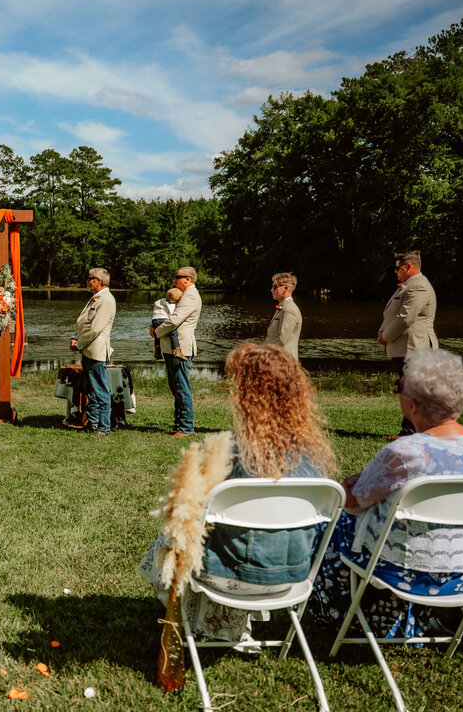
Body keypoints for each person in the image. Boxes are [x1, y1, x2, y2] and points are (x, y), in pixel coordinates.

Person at [138, 342, 338, 641]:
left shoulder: (231, 453)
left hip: (227, 578)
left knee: (172, 534)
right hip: (294, 577)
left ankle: (196, 619)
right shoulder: (315, 457)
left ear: (246, 396)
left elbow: (189, 516)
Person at [309, 348, 463, 639]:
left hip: (408, 573)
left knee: (330, 525)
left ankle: (336, 612)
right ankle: (408, 619)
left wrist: (348, 488)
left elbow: (354, 503)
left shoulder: (407, 451)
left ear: (413, 404)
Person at [378, 250, 437, 436]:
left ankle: (411, 431)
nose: (395, 272)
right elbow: (393, 313)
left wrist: (385, 336)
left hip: (414, 347)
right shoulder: (409, 285)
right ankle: (410, 430)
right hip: (406, 346)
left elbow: (405, 318)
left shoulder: (418, 287)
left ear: (408, 266)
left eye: (397, 268)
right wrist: (383, 330)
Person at [153, 267, 202, 437]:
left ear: (187, 279)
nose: (175, 280)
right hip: (172, 347)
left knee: (182, 388)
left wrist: (156, 331)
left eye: (178, 277)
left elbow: (174, 320)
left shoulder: (191, 296)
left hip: (181, 348)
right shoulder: (185, 295)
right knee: (175, 387)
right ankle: (178, 424)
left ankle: (186, 427)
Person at [72, 268, 117, 436]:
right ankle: (93, 422)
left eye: (90, 279)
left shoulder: (106, 300)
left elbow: (95, 328)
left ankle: (104, 426)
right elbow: (85, 323)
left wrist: (79, 344)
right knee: (90, 388)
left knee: (100, 389)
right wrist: (74, 337)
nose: (87, 281)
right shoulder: (96, 298)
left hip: (96, 351)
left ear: (98, 281)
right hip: (88, 349)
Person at [265, 272, 302, 360]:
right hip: (277, 360)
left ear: (286, 288)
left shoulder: (290, 310)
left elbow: (281, 341)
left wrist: (263, 355)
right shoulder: (284, 307)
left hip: (284, 363)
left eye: (275, 287)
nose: (271, 290)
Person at [151, 287, 183, 361]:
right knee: (173, 332)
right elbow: (172, 315)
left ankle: (157, 349)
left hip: (155, 320)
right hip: (163, 319)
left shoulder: (159, 301)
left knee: (157, 335)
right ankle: (177, 349)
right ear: (174, 300)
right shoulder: (170, 304)